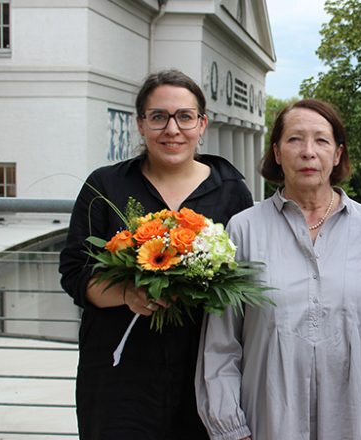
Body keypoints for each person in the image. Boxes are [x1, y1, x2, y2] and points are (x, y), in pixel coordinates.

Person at [59, 69, 253, 439]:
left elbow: (242, 280)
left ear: (202, 124)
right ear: (141, 124)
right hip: (120, 371)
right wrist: (128, 294)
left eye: (184, 116)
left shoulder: (231, 191)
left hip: (202, 371)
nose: (172, 129)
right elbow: (74, 271)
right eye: (158, 117)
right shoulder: (105, 186)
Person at [196, 99, 361, 440]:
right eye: (294, 139)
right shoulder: (243, 229)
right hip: (269, 422)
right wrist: (230, 427)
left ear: (337, 154)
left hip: (359, 420)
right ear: (276, 151)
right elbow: (221, 341)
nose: (308, 152)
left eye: (321, 140)